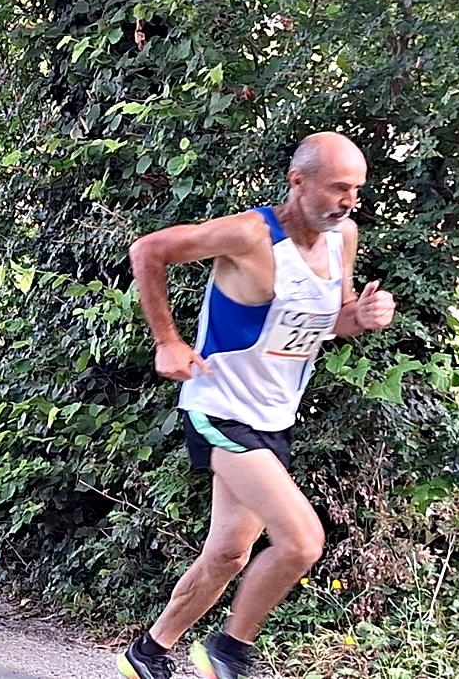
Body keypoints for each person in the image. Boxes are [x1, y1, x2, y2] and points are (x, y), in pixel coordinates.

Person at [114, 132, 397, 679]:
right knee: (302, 541)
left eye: (356, 190)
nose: (349, 201)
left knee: (228, 553)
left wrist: (361, 317)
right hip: (219, 407)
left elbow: (334, 320)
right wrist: (167, 340)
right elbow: (148, 250)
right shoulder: (249, 235)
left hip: (274, 417)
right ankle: (229, 651)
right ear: (298, 182)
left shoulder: (342, 238)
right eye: (338, 188)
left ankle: (148, 652)